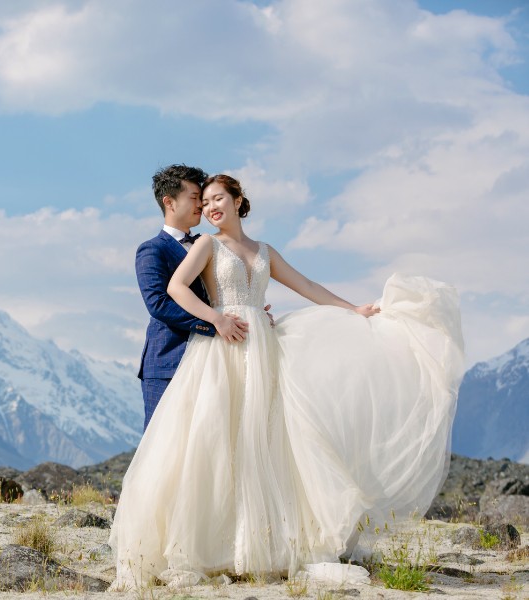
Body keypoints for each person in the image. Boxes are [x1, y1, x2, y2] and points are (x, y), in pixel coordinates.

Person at [110, 173, 464, 589]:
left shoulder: (265, 251)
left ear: (239, 200)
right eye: (204, 202)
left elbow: (307, 285)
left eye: (218, 198)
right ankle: (206, 542)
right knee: (214, 439)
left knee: (267, 438)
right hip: (222, 348)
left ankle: (262, 540)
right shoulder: (206, 244)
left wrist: (354, 309)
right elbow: (173, 289)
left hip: (263, 348)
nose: (210, 208)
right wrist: (217, 318)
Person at [135, 165, 254, 430]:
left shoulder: (210, 244)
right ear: (169, 202)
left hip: (213, 359)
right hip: (168, 360)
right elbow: (158, 304)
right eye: (193, 197)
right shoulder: (152, 250)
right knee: (162, 440)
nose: (201, 205)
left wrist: (247, 310)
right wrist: (215, 324)